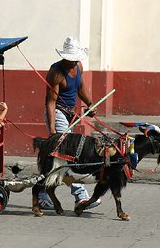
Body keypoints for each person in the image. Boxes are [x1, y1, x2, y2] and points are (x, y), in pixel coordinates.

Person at [39, 37, 101, 210]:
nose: (73, 62)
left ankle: (43, 192)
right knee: (69, 152)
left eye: (75, 58)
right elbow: (50, 102)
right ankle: (80, 195)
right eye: (70, 58)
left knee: (58, 156)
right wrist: (52, 129)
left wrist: (90, 104)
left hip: (70, 114)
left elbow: (80, 87)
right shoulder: (56, 73)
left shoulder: (78, 66)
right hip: (57, 112)